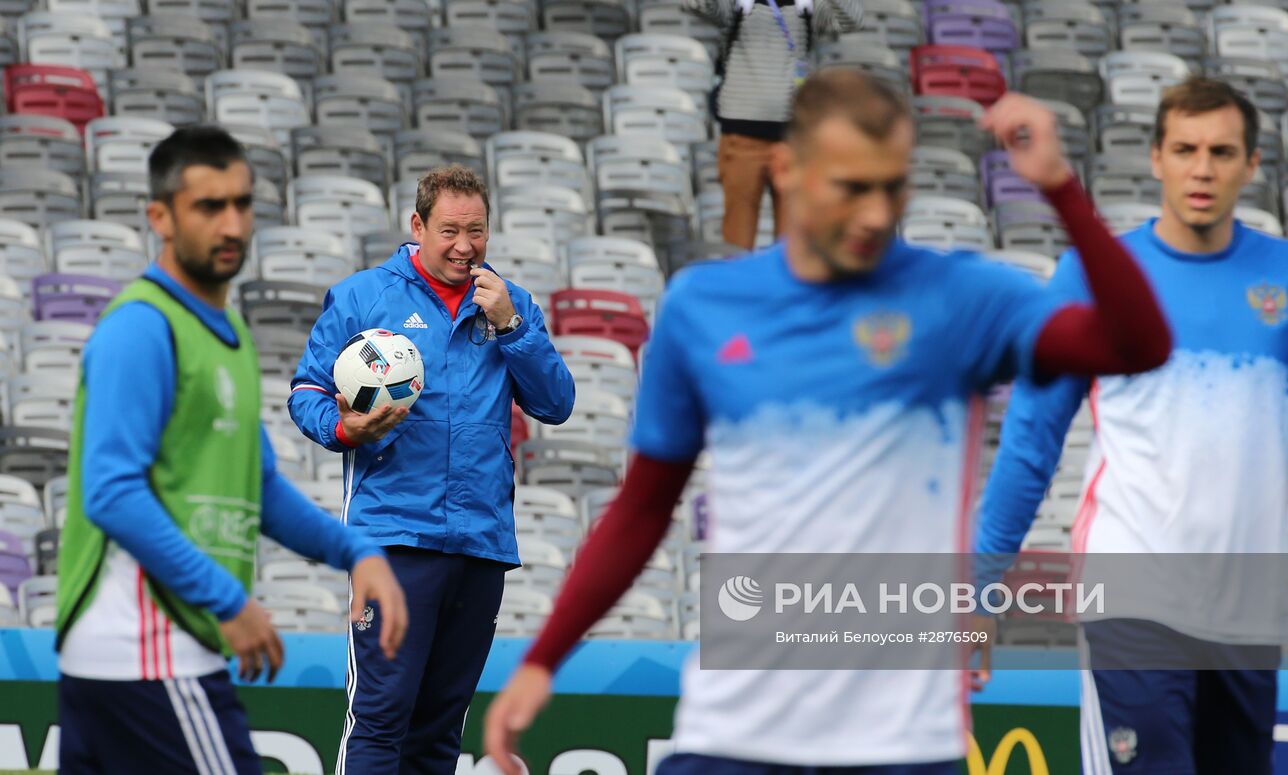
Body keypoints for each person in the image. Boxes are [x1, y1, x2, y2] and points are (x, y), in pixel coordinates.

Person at [482, 69, 1174, 775]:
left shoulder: (961, 298)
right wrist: (543, 659)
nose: (876, 213)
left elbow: (1140, 344)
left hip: (904, 746)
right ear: (786, 170)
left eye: (892, 186)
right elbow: (642, 507)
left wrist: (1058, 185)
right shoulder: (705, 306)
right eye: (851, 187)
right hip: (733, 736)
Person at [975, 77, 1288, 774]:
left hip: (1247, 615)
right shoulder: (1093, 277)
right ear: (1156, 157)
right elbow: (1030, 441)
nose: (1202, 168)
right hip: (1132, 596)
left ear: (1252, 165)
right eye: (1185, 149)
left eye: (1222, 151)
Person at [52, 126, 408, 774]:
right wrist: (229, 601)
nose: (232, 223)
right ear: (160, 216)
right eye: (209, 206)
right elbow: (111, 492)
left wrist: (356, 549)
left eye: (242, 204)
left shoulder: (231, 335)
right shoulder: (141, 327)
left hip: (128, 658)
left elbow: (261, 485)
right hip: (151, 650)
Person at [287, 165, 576, 774]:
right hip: (394, 538)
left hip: (480, 543)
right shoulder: (365, 296)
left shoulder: (510, 304)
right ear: (417, 226)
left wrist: (513, 328)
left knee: (442, 727)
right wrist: (345, 429)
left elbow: (556, 404)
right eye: (449, 230)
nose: (464, 246)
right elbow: (306, 392)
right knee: (381, 714)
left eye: (476, 231)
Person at [688, 0, 863, 250]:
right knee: (737, 243)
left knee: (792, 247)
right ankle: (741, 290)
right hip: (741, 138)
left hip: (794, 140)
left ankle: (786, 291)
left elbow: (853, 20)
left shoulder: (810, 6)